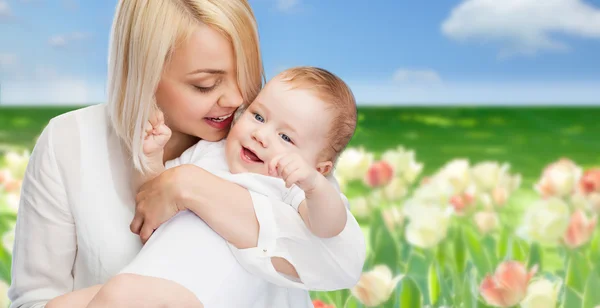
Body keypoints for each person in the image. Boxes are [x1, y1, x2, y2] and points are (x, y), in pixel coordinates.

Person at [8, 1, 366, 308]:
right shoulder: (69, 142)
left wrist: (191, 187)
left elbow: (339, 259)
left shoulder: (288, 157)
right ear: (144, 74)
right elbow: (151, 198)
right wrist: (156, 166)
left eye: (247, 75)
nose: (237, 99)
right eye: (205, 85)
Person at [77, 66, 357, 307]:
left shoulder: (288, 184)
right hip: (152, 274)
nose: (261, 135)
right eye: (258, 116)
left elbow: (328, 228)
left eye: (286, 137)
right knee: (63, 303)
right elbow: (153, 197)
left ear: (320, 168)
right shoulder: (209, 153)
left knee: (119, 293)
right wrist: (151, 158)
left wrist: (315, 186)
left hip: (198, 293)